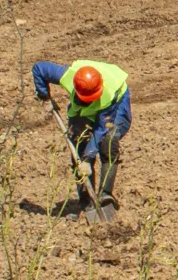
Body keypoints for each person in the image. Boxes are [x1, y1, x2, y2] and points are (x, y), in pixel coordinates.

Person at [35, 58, 131, 219]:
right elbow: (39, 69)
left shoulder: (108, 95)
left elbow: (100, 129)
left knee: (108, 141)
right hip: (82, 103)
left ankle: (105, 195)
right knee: (78, 143)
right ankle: (87, 202)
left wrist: (88, 157)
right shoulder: (67, 76)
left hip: (116, 103)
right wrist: (44, 96)